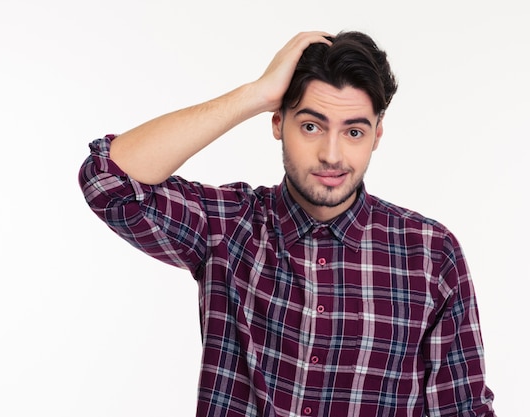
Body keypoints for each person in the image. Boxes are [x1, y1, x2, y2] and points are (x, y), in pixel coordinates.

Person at [79, 31, 496, 416]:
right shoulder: (229, 226)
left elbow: (462, 409)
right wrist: (256, 94)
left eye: (353, 132)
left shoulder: (430, 254)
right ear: (278, 123)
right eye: (311, 126)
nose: (331, 155)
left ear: (376, 135)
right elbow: (107, 180)